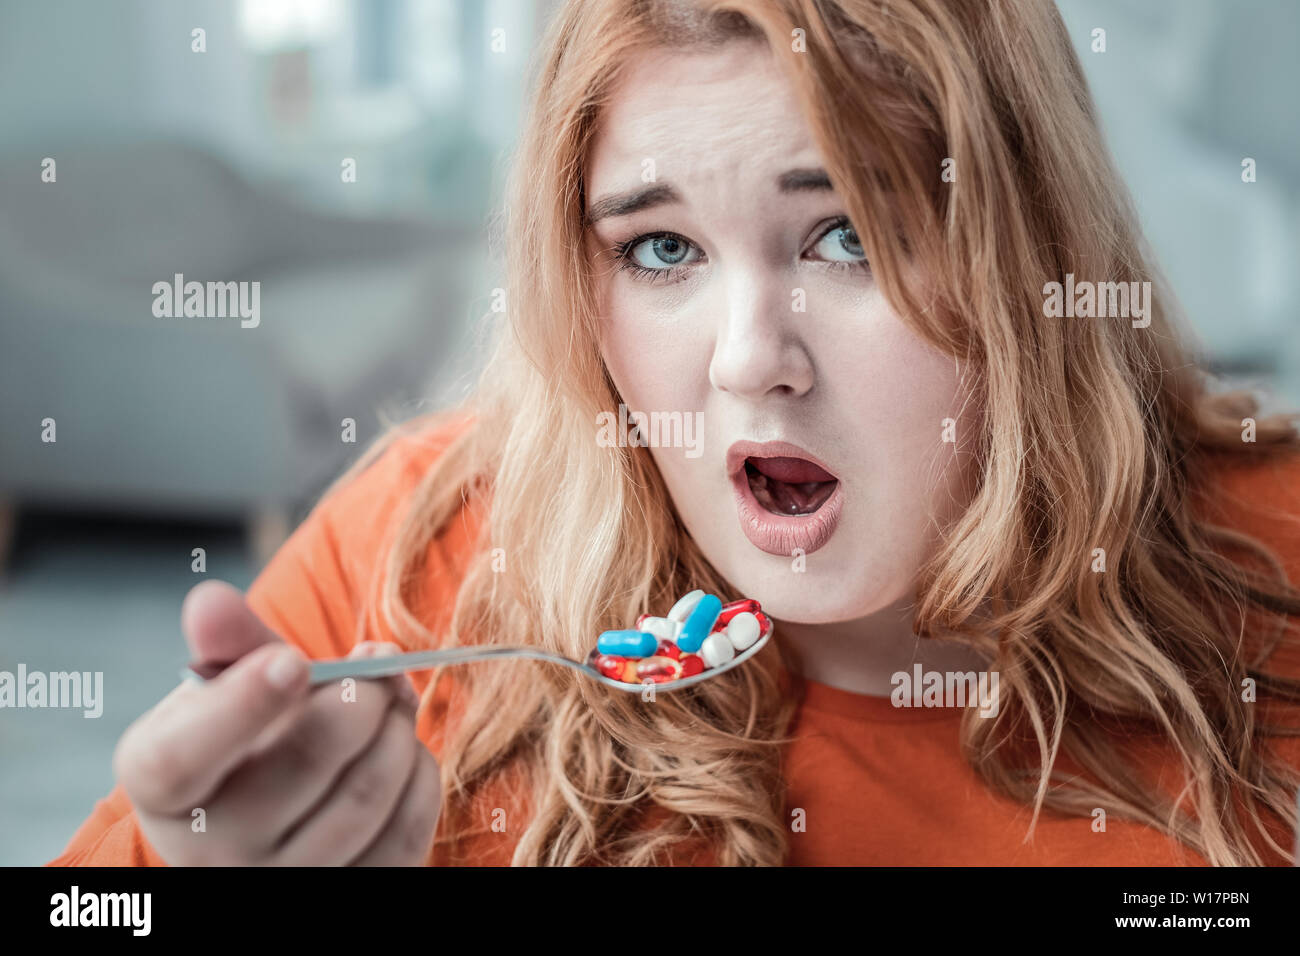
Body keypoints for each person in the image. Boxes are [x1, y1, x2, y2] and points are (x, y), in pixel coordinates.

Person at [49, 0, 1300, 866]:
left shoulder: (1272, 552)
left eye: (848, 236)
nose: (748, 357)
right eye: (659, 250)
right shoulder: (417, 556)